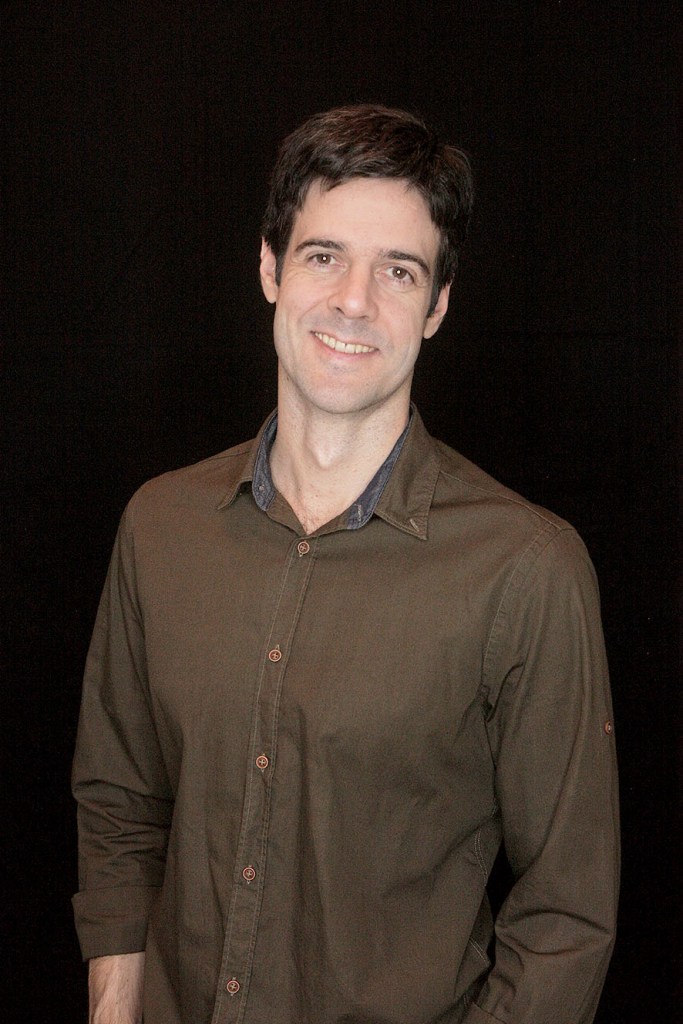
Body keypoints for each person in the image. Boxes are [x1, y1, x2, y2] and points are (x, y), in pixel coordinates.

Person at [72, 104, 619, 1024]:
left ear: (437, 306)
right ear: (269, 268)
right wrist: (114, 1004)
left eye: (397, 271)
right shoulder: (159, 527)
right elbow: (120, 804)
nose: (354, 302)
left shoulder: (527, 569)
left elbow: (567, 911)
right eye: (324, 256)